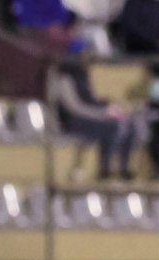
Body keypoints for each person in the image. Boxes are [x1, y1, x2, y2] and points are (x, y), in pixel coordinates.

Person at [51, 43, 138, 181]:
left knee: (130, 124)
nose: (88, 59)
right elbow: (74, 107)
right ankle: (105, 169)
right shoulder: (64, 78)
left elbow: (91, 99)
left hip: (89, 117)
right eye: (85, 55)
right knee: (111, 126)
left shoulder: (83, 76)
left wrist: (109, 108)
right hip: (72, 121)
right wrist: (101, 114)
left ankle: (124, 167)